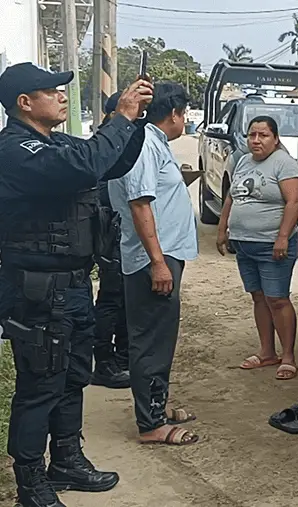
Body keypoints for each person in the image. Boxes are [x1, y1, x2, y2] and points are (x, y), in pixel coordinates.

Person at [0, 62, 152, 507]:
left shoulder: (58, 143)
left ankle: (66, 460)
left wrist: (135, 119)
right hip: (36, 289)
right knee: (40, 386)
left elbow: (111, 161)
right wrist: (120, 116)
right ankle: (30, 482)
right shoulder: (15, 150)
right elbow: (83, 164)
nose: (62, 96)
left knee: (72, 377)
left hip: (73, 285)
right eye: (52, 91)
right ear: (25, 103)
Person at [108, 82, 200, 447]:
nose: (185, 120)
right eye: (184, 113)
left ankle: (156, 407)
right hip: (152, 258)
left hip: (163, 253)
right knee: (150, 341)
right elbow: (139, 203)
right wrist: (158, 262)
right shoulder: (145, 143)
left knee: (160, 338)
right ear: (174, 113)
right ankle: (150, 424)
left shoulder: (154, 142)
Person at [216, 116, 298, 381]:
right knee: (258, 297)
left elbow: (294, 201)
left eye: (263, 135)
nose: (256, 140)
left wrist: (283, 237)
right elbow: (231, 197)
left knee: (277, 299)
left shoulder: (284, 163)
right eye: (252, 135)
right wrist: (222, 229)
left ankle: (287, 356)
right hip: (244, 244)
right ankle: (267, 352)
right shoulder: (243, 161)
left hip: (272, 246)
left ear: (275, 139)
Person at [91, 90, 131, 390]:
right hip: (113, 231)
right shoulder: (110, 141)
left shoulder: (112, 137)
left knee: (123, 300)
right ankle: (105, 362)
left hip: (115, 229)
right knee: (112, 299)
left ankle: (122, 358)